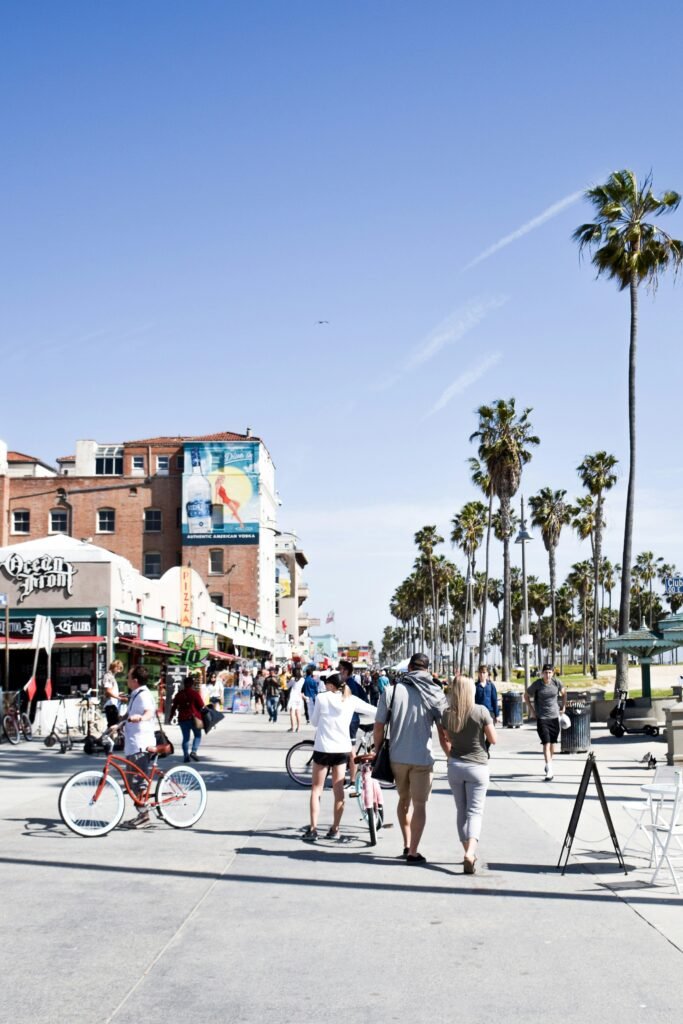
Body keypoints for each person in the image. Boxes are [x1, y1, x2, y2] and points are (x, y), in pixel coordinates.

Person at [373, 652, 447, 864]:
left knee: (403, 800)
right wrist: (451, 755)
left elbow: (379, 727)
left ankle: (406, 844)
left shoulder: (392, 691)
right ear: (427, 669)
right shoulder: (435, 692)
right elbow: (443, 732)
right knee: (420, 805)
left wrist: (378, 750)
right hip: (422, 758)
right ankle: (414, 851)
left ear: (409, 668)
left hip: (397, 757)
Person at [303, 672, 377, 842]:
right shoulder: (350, 699)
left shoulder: (322, 698)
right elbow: (373, 711)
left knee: (316, 789)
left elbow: (314, 722)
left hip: (323, 748)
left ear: (330, 685)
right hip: (342, 749)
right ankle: (335, 829)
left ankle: (313, 829)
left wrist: (310, 704)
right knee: (339, 792)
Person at [438, 674, 497, 874]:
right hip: (477, 767)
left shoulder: (447, 714)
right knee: (475, 812)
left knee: (461, 811)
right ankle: (470, 853)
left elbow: (446, 738)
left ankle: (467, 851)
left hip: (455, 765)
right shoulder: (481, 711)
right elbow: (493, 739)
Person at [121, 665, 156, 827]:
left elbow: (149, 712)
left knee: (138, 782)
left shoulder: (143, 695)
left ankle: (144, 817)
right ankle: (142, 814)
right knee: (131, 782)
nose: (127, 680)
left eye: (128, 677)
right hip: (133, 744)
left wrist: (140, 718)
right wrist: (118, 725)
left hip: (141, 745)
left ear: (135, 681)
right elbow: (129, 716)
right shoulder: (135, 694)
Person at [524, 663, 566, 781]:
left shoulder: (556, 683)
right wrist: (532, 710)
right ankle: (550, 770)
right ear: (542, 673)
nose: (547, 675)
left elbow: (564, 693)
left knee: (552, 743)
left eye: (549, 673)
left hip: (554, 717)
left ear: (553, 673)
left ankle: (549, 765)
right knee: (546, 742)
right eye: (545, 673)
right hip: (542, 718)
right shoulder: (537, 684)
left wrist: (563, 707)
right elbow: (526, 696)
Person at [338, 659, 372, 787]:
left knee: (350, 751)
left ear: (345, 671)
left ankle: (353, 781)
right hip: (351, 719)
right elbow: (364, 697)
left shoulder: (348, 685)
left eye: (339, 668)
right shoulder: (352, 683)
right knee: (345, 750)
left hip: (350, 720)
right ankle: (344, 779)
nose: (337, 671)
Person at [171, 674, 206, 763]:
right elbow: (202, 705)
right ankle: (193, 751)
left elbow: (174, 706)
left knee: (186, 738)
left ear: (184, 684)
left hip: (183, 719)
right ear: (192, 684)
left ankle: (186, 756)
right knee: (197, 735)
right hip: (194, 719)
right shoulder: (195, 694)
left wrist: (170, 716)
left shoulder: (179, 694)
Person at [474, 664, 498, 757]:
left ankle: (486, 748)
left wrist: (496, 715)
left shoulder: (491, 686)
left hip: (490, 712)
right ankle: (482, 751)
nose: (482, 674)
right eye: (480, 672)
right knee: (479, 734)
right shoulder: (475, 686)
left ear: (487, 674)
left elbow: (494, 700)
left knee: (490, 734)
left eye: (484, 672)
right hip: (478, 713)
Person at [102, 659, 126, 728]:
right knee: (113, 725)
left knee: (113, 725)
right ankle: (106, 738)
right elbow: (108, 691)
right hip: (110, 704)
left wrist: (118, 693)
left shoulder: (111, 676)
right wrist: (119, 697)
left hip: (112, 704)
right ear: (115, 667)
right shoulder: (108, 676)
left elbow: (110, 691)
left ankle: (108, 738)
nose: (119, 671)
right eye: (119, 668)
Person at [288, 666, 305, 732]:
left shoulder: (292, 679)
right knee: (298, 712)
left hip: (293, 696)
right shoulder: (303, 679)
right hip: (299, 696)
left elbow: (287, 686)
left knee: (292, 712)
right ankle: (299, 727)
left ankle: (293, 727)